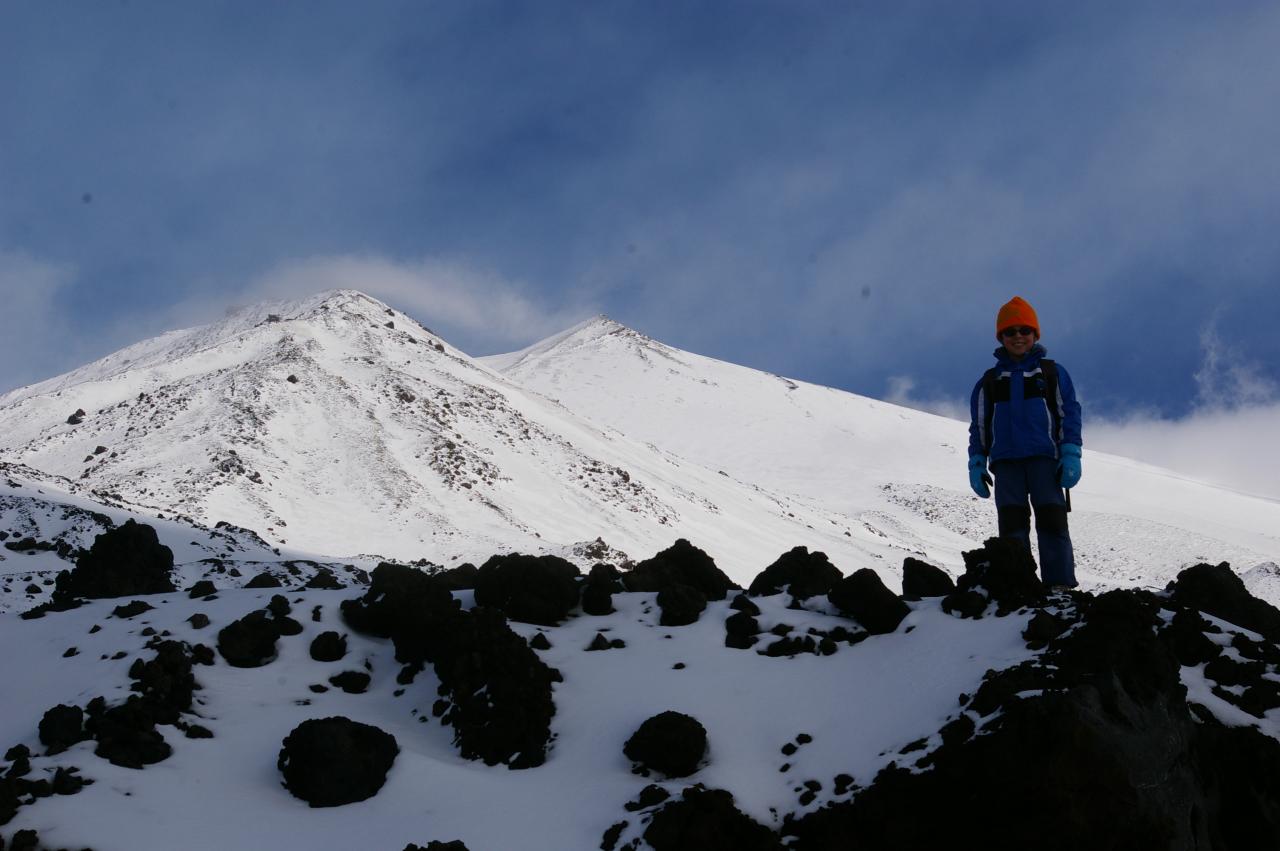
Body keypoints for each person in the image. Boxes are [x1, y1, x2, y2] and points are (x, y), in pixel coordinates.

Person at [967, 296, 1082, 589]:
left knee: (1052, 522)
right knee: (1012, 525)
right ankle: (1018, 587)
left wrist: (1070, 453)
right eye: (1010, 331)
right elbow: (979, 425)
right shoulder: (990, 381)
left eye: (1024, 330)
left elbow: (1068, 413)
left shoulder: (1051, 373)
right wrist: (977, 462)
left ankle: (1060, 587)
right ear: (1001, 337)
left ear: (1035, 334)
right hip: (1006, 464)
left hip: (1045, 459)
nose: (1018, 336)